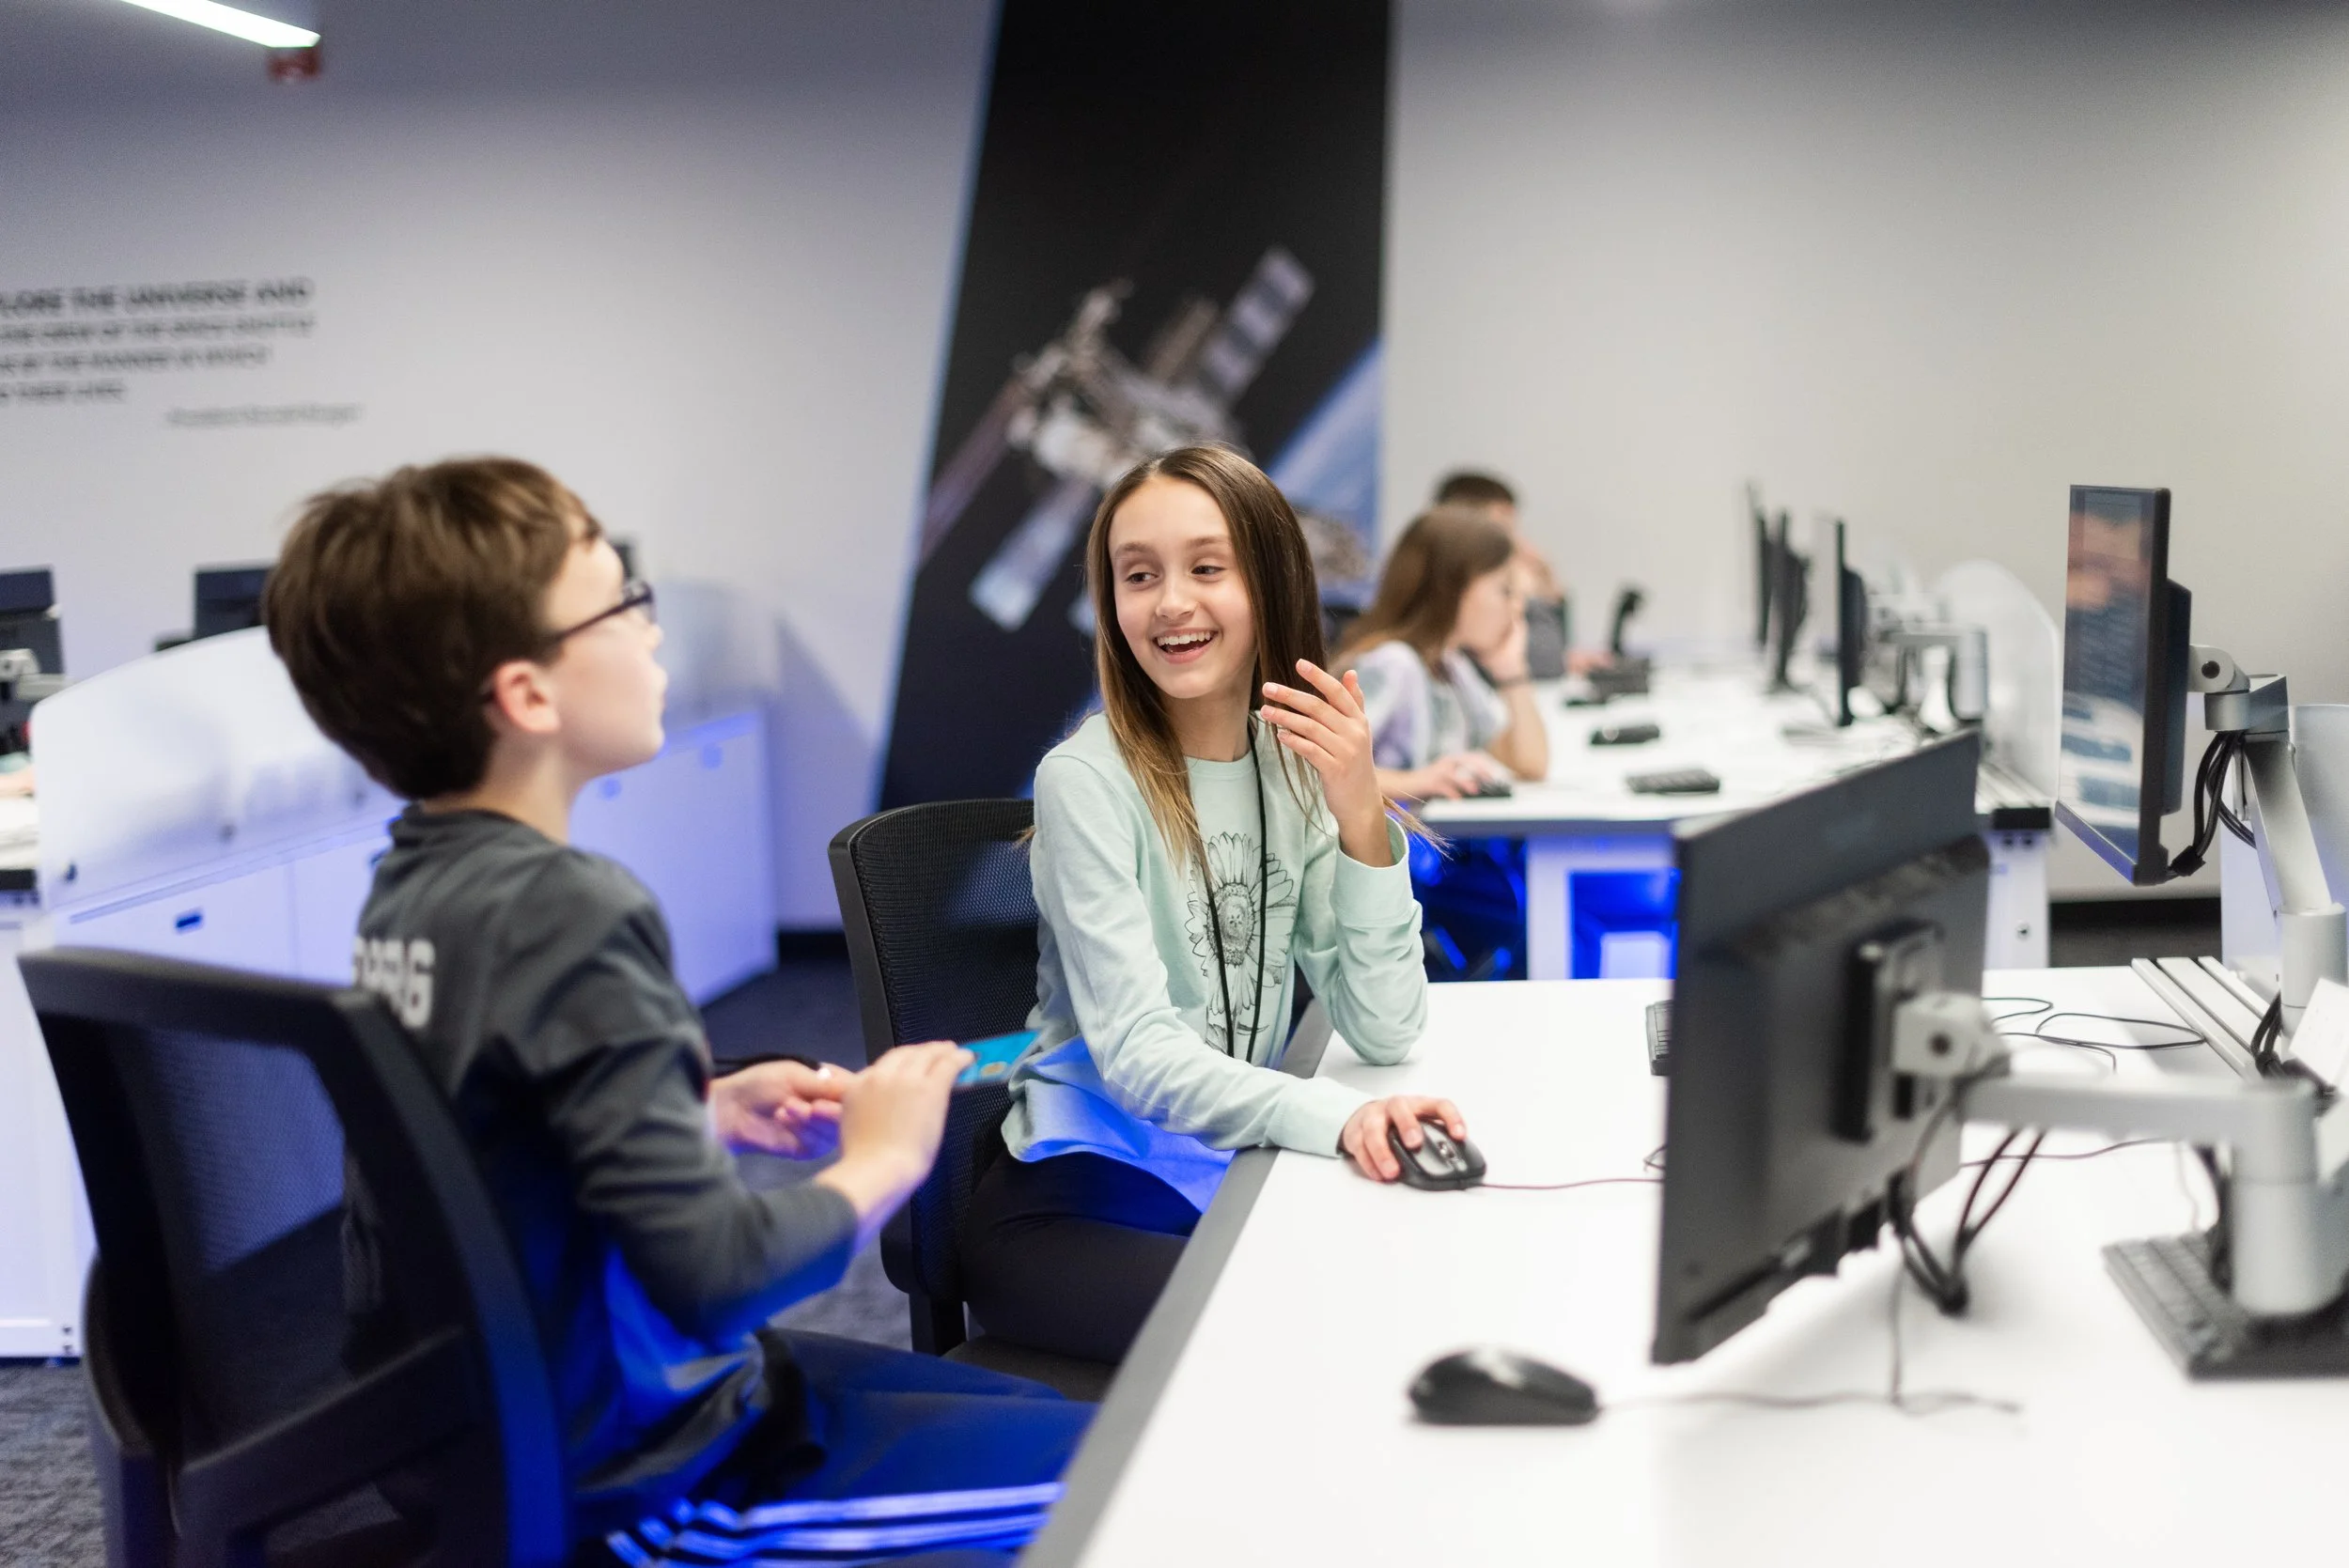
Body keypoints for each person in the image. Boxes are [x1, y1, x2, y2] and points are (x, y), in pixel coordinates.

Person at [263, 458, 1088, 1566]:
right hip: (653, 1480)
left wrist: (691, 1106)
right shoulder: (571, 909)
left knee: (1103, 1429)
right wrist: (884, 1162)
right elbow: (721, 1274)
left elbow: (483, 1141)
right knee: (1139, 1482)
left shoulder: (414, 885)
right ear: (528, 695)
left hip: (512, 1426)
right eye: (622, 601)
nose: (651, 632)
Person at [957, 444, 1459, 1364]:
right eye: (1137, 574)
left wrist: (1359, 819)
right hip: (1081, 1193)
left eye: (1206, 567)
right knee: (1291, 1339)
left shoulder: (1291, 765)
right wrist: (1333, 1117)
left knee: (1406, 1290)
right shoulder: (1084, 780)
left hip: (1229, 1162)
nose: (1171, 601)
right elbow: (1144, 1060)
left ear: (1267, 581)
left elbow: (1385, 1027)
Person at [1338, 505, 1553, 801]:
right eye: (1504, 590)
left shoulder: (1451, 666)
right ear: (1453, 589)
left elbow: (1530, 763)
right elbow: (1322, 770)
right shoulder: (1394, 664)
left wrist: (1511, 671)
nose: (1516, 607)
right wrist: (1418, 782)